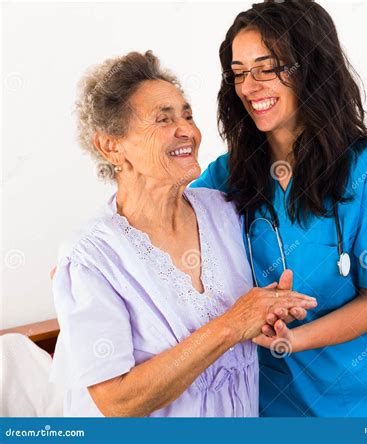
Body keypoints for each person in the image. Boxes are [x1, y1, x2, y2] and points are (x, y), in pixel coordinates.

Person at [191, 0, 367, 417]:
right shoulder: (230, 173)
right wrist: (99, 253)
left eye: (268, 68)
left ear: (311, 69)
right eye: (239, 73)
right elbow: (165, 220)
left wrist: (291, 339)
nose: (249, 86)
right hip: (277, 401)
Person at [49, 50, 317, 417]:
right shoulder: (90, 258)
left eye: (188, 115)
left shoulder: (225, 210)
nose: (187, 130)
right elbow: (117, 402)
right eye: (163, 119)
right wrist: (234, 323)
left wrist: (268, 311)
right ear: (110, 145)